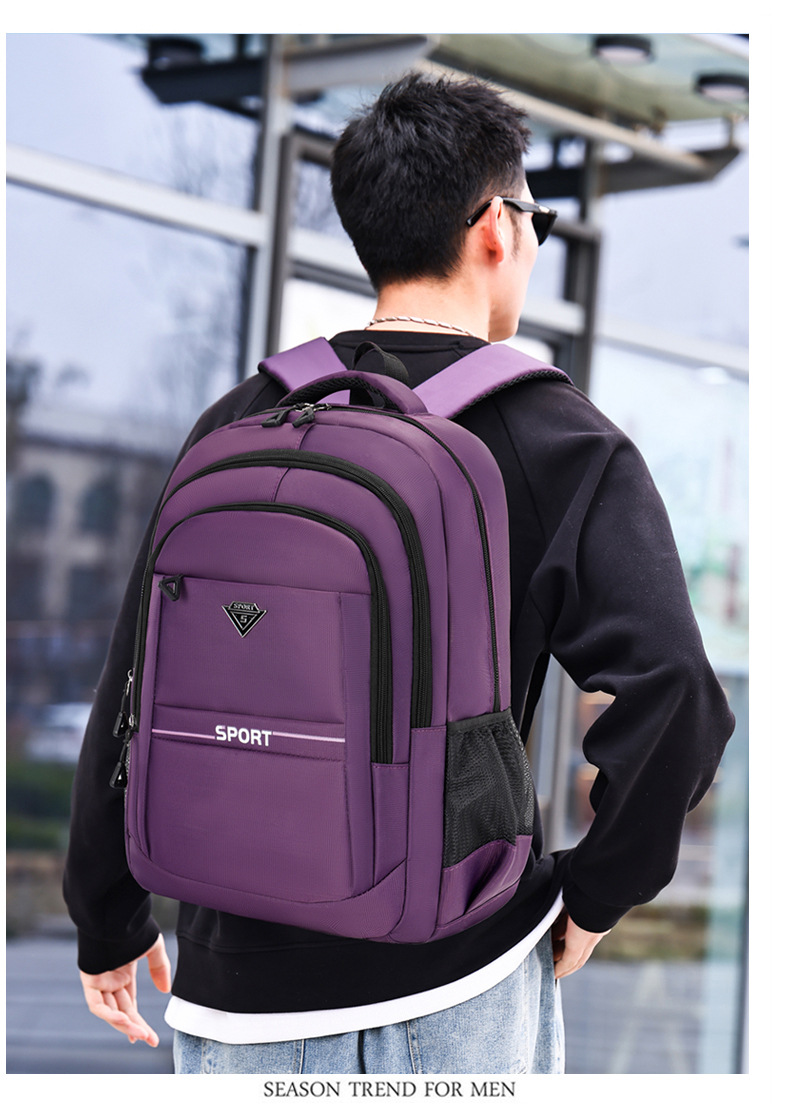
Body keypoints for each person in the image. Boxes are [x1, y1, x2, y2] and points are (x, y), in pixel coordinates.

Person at [64, 72, 735, 1075]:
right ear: (497, 228)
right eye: (537, 223)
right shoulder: (558, 440)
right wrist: (598, 892)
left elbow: (134, 688)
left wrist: (106, 915)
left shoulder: (242, 417)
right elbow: (676, 696)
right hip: (448, 977)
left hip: (229, 987)